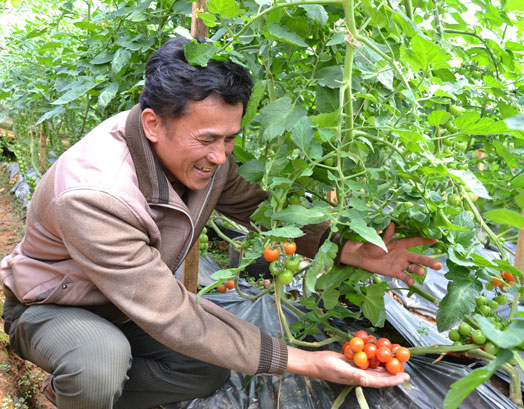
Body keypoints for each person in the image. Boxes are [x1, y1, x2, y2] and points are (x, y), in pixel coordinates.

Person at [0, 36, 442, 409]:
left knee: (209, 365)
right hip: (55, 306)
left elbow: (259, 209)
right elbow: (170, 312)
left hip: (128, 304)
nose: (221, 155)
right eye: (208, 139)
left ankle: (97, 392)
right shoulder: (94, 194)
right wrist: (304, 361)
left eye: (231, 138)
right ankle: (70, 393)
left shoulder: (203, 159)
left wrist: (351, 249)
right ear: (153, 124)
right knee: (99, 363)